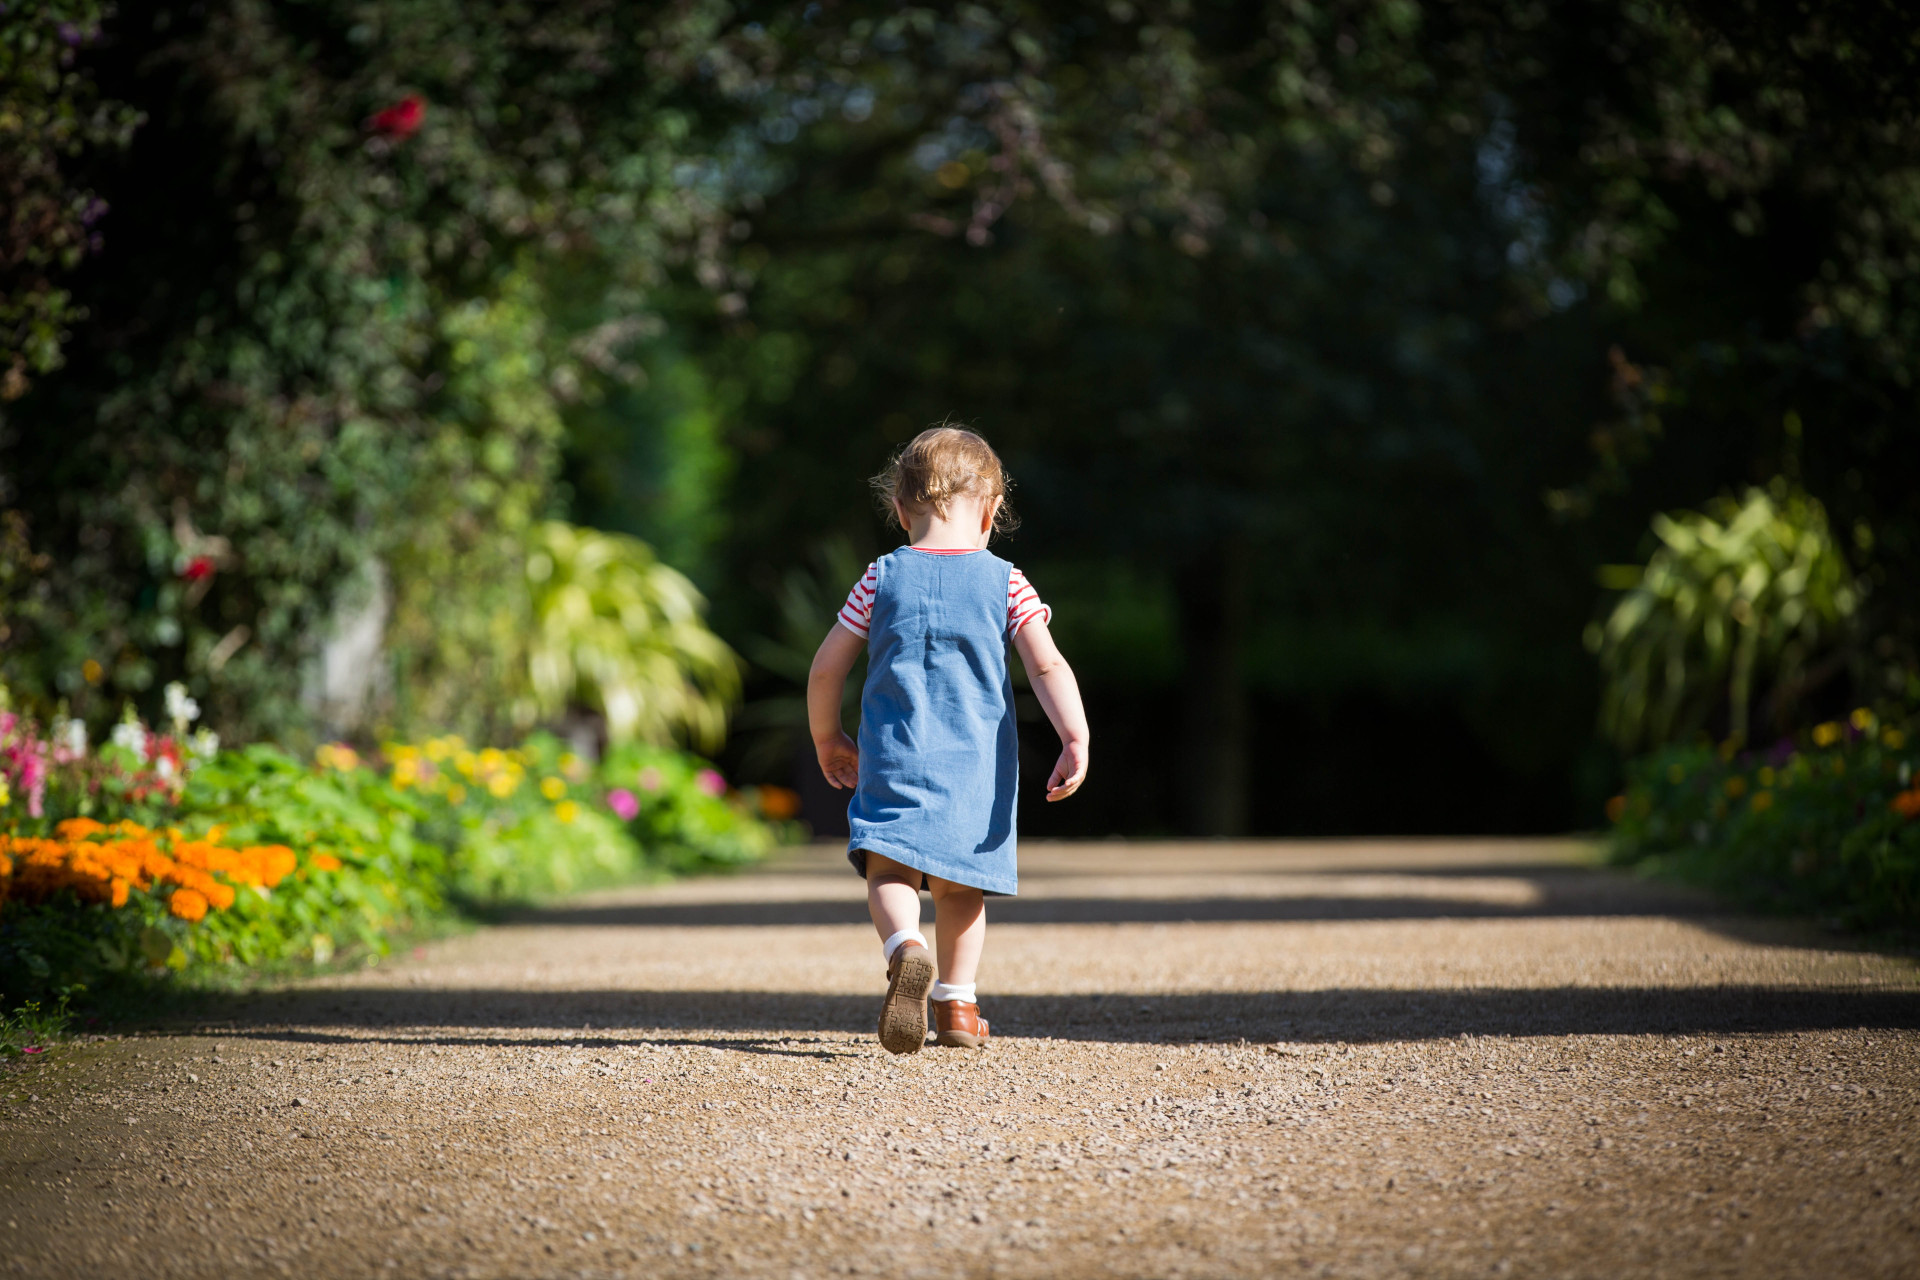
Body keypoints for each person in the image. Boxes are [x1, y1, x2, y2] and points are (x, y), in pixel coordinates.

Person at [807, 426, 1090, 1055]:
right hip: (976, 771)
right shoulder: (1007, 582)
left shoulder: (880, 577)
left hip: (894, 758)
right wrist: (1075, 736)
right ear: (991, 512)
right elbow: (1047, 665)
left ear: (899, 509)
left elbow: (826, 668)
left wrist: (829, 737)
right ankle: (958, 1004)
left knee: (889, 868)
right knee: (961, 887)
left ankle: (904, 947)